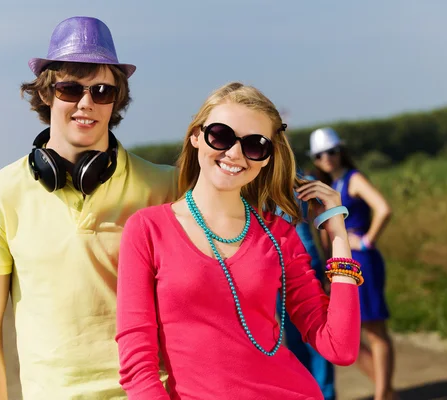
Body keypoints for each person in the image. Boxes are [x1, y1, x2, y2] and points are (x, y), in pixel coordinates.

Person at [0, 16, 177, 399]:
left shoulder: (167, 186)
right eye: (70, 88)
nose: (86, 103)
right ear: (46, 93)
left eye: (101, 91)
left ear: (118, 99)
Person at [116, 82, 363, 399]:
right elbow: (138, 367)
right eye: (221, 135)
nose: (234, 153)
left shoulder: (279, 235)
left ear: (266, 158)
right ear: (196, 136)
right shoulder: (148, 229)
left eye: (254, 145)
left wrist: (338, 235)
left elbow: (339, 347)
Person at [308, 127, 397, 400]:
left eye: (332, 151)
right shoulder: (328, 186)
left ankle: (382, 395)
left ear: (341, 151)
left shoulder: (353, 179)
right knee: (346, 336)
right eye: (321, 154)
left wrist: (368, 240)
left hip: (361, 261)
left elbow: (383, 208)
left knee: (374, 329)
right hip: (339, 266)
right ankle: (388, 392)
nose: (327, 158)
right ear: (314, 158)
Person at [277, 166, 336, 400]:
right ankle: (317, 393)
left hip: (292, 265)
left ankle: (319, 394)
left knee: (306, 337)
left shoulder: (254, 181)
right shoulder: (303, 180)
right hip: (292, 263)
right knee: (307, 336)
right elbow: (324, 224)